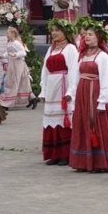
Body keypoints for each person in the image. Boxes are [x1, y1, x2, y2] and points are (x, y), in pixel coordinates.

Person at [69, 21, 108, 172]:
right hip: (83, 93)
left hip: (95, 93)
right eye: (86, 34)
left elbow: (107, 79)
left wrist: (102, 101)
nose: (87, 37)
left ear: (98, 37)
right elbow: (76, 76)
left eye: (90, 34)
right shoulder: (82, 55)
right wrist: (74, 94)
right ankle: (83, 161)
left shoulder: (102, 56)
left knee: (98, 124)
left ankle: (101, 161)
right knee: (83, 123)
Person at [39, 19, 80, 166]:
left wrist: (71, 91)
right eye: (53, 30)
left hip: (63, 87)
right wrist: (43, 91)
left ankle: (65, 155)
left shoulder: (70, 49)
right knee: (51, 121)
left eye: (57, 30)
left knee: (64, 121)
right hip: (51, 88)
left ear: (65, 32)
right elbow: (44, 71)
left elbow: (74, 72)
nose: (54, 33)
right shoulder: (51, 49)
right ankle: (54, 154)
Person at [0, 26, 37, 110]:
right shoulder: (10, 43)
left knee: (13, 82)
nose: (6, 35)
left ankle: (7, 103)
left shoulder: (16, 43)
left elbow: (23, 53)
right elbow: (8, 53)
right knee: (20, 83)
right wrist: (3, 56)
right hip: (12, 65)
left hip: (18, 64)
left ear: (13, 34)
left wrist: (15, 54)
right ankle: (33, 98)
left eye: (8, 33)